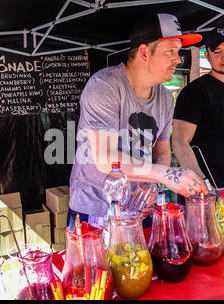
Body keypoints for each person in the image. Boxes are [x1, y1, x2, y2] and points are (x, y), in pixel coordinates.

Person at [67, 13, 207, 227]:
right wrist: (166, 175)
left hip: (139, 211)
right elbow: (105, 158)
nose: (178, 59)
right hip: (97, 212)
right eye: (170, 51)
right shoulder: (104, 86)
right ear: (144, 52)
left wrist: (150, 184)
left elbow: (161, 153)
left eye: (178, 51)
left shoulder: (166, 99)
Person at [172, 25, 224, 206]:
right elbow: (179, 143)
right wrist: (204, 187)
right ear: (207, 55)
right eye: (217, 51)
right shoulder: (194, 92)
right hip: (200, 193)